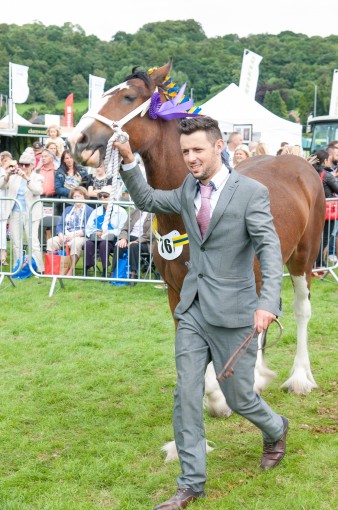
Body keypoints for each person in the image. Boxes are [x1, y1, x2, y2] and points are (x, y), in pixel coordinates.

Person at [114, 116, 287, 510]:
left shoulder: (251, 193)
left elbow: (269, 251)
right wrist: (128, 160)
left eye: (197, 150)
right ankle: (190, 484)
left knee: (239, 398)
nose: (190, 158)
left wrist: (268, 303)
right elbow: (147, 201)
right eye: (185, 151)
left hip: (236, 312)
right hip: (192, 309)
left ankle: (275, 428)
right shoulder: (187, 189)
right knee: (186, 394)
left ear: (218, 146)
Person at [0, 151, 44, 272]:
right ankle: (17, 267)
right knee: (16, 241)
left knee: (33, 241)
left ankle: (39, 269)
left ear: (32, 165)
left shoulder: (38, 177)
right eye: (21, 164)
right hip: (15, 212)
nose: (23, 167)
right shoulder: (13, 176)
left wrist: (26, 178)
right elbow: (1, 186)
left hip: (32, 213)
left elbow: (38, 190)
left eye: (26, 165)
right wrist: (7, 175)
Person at [46, 186, 93, 276]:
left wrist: (75, 235)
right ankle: (53, 268)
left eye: (79, 196)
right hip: (65, 235)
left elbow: (90, 228)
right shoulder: (67, 209)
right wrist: (61, 235)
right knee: (51, 241)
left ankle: (71, 270)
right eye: (74, 196)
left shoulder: (90, 210)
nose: (76, 198)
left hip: (81, 236)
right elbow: (60, 225)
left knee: (76, 243)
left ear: (84, 197)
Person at [84, 185, 128, 276]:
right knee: (88, 243)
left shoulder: (121, 212)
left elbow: (122, 229)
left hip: (112, 240)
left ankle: (105, 270)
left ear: (112, 197)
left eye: (105, 196)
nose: (102, 198)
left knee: (104, 244)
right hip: (96, 238)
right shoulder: (96, 211)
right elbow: (88, 228)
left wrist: (107, 233)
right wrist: (96, 232)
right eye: (100, 196)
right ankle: (87, 268)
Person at [111, 208, 152, 286]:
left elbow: (151, 233)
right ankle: (114, 273)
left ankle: (133, 275)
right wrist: (123, 238)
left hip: (146, 241)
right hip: (130, 237)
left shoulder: (155, 214)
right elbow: (124, 229)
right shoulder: (134, 212)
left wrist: (137, 241)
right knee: (119, 245)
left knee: (133, 246)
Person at [312, 150, 338, 269]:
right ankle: (319, 263)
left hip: (313, 210)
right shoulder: (326, 175)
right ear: (325, 160)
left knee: (315, 236)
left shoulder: (311, 172)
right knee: (325, 238)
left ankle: (317, 262)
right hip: (327, 210)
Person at [0, 151, 13, 265]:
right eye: (5, 161)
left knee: (3, 232)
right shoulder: (1, 171)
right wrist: (4, 170)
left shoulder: (12, 172)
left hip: (5, 206)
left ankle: (3, 256)